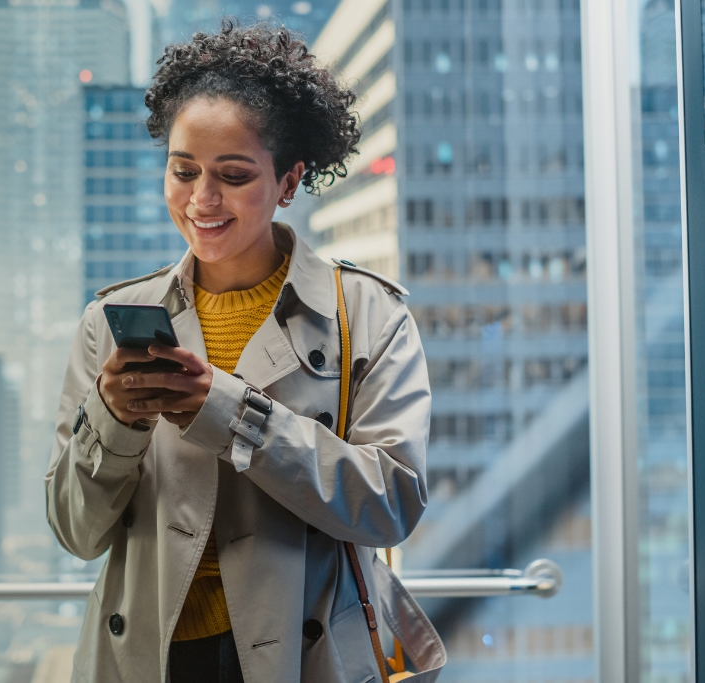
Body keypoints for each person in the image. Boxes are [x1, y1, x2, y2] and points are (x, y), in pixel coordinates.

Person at [46, 19, 432, 683]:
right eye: (183, 170)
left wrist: (229, 411)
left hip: (301, 658)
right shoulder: (108, 324)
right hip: (148, 658)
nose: (202, 200)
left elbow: (392, 503)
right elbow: (76, 532)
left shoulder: (369, 315)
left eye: (232, 174)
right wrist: (113, 416)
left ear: (289, 181)